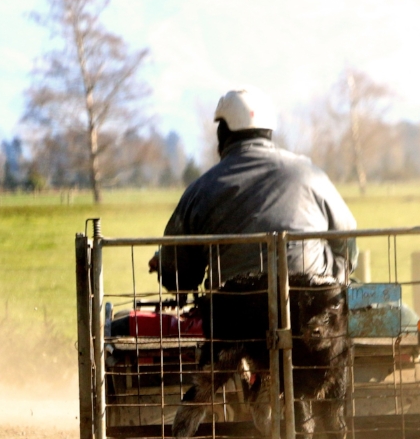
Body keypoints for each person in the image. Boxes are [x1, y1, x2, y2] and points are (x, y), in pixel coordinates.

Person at [152, 88, 357, 296]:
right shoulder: (310, 173)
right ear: (269, 133)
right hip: (313, 306)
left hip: (234, 318)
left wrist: (164, 264)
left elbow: (178, 277)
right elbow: (347, 240)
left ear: (221, 137)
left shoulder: (200, 190)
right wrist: (337, 277)